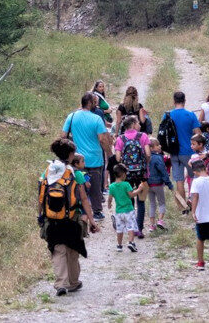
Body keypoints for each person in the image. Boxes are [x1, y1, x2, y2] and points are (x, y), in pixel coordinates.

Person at [39, 138, 100, 295]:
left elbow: (41, 195)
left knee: (58, 250)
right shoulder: (75, 174)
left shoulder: (47, 171)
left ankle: (61, 283)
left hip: (51, 218)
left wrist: (41, 215)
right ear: (71, 154)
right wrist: (91, 220)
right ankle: (73, 282)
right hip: (72, 217)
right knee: (73, 250)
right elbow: (84, 199)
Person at [61, 92, 113, 220]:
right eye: (95, 102)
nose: (96, 104)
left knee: (78, 186)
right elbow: (102, 139)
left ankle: (78, 210)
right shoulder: (96, 119)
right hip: (95, 159)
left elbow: (63, 136)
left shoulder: (71, 117)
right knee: (95, 187)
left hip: (77, 160)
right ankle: (96, 211)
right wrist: (109, 153)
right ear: (90, 103)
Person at [115, 115, 151, 238]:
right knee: (141, 201)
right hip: (142, 173)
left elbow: (118, 158)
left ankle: (130, 227)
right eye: (138, 122)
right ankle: (139, 229)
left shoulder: (120, 139)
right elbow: (147, 154)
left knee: (129, 201)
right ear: (133, 124)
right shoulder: (143, 136)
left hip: (127, 174)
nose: (140, 124)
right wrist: (145, 163)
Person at [167, 91, 202, 213]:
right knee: (195, 177)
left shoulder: (168, 115)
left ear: (174, 101)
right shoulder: (190, 115)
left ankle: (182, 208)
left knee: (179, 180)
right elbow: (198, 133)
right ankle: (194, 203)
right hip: (188, 151)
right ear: (184, 101)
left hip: (174, 152)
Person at [107, 164, 147, 253]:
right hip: (128, 210)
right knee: (131, 227)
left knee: (119, 229)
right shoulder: (126, 184)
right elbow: (131, 195)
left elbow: (110, 198)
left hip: (118, 212)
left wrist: (109, 204)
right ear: (123, 174)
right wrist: (139, 189)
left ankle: (119, 245)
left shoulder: (112, 186)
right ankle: (131, 242)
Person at [146, 138, 173, 231]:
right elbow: (163, 171)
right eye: (157, 145)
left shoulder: (146, 158)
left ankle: (152, 225)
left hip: (148, 184)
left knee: (152, 204)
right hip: (158, 184)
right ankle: (160, 220)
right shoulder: (158, 158)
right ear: (152, 148)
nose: (160, 146)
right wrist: (169, 184)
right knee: (162, 202)